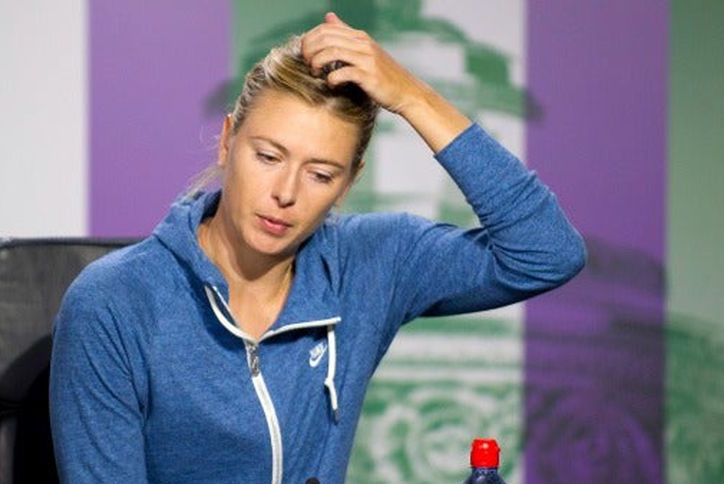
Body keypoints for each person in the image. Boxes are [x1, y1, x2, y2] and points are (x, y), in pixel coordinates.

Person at [49, 12, 586, 484]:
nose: (285, 193)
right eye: (268, 157)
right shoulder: (114, 302)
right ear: (228, 140)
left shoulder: (371, 262)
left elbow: (548, 252)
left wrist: (412, 97)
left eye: (321, 174)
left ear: (349, 182)